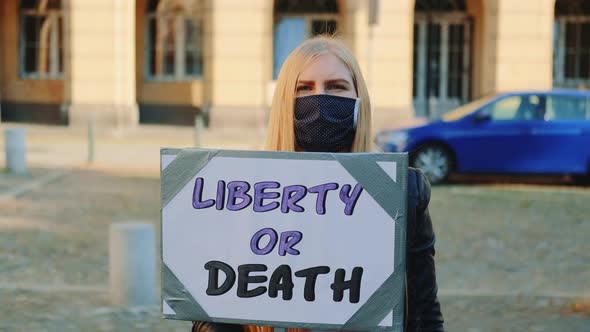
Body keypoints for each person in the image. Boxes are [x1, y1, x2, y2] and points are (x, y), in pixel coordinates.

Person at [193, 36, 444, 332]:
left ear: (358, 98)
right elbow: (213, 309)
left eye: (336, 87)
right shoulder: (243, 193)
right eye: (304, 88)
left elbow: (423, 311)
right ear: (285, 101)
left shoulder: (403, 191)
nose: (320, 100)